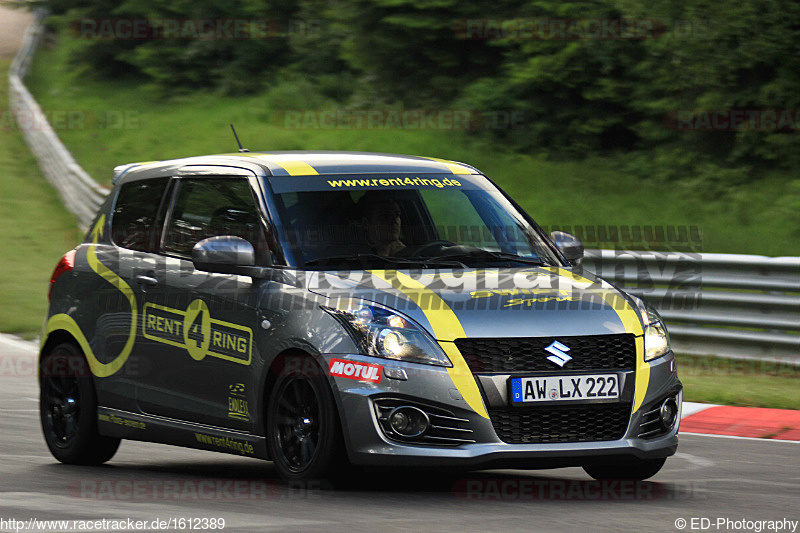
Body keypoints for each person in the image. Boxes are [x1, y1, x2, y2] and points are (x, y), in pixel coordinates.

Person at [357, 192, 406, 256]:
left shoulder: (408, 256)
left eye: (397, 215)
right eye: (385, 216)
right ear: (366, 223)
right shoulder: (353, 256)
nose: (394, 221)